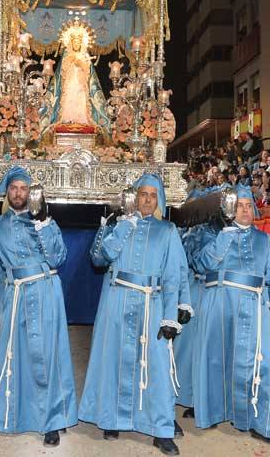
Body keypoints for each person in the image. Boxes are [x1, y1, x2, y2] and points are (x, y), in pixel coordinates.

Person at [0, 167, 77, 445]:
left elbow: (58, 258)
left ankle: (51, 420)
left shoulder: (46, 222)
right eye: (13, 188)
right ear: (7, 192)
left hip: (47, 291)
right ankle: (12, 413)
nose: (18, 193)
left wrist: (43, 225)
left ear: (31, 192)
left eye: (23, 188)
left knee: (47, 355)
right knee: (15, 355)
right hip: (14, 295)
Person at [80, 174, 186, 455]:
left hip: (153, 303)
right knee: (113, 358)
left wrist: (170, 317)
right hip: (117, 299)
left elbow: (173, 277)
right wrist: (122, 227)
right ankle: (111, 417)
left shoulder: (168, 231)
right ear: (135, 197)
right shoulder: (119, 226)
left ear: (159, 199)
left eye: (153, 195)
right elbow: (99, 259)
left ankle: (160, 428)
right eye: (143, 194)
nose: (147, 200)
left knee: (156, 365)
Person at [194, 185, 270, 445]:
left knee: (262, 366)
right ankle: (214, 412)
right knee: (216, 359)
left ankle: (261, 424)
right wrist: (224, 238)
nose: (245, 210)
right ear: (231, 210)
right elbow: (200, 265)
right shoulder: (216, 235)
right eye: (240, 205)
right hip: (220, 304)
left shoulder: (264, 240)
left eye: (248, 205)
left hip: (255, 307)